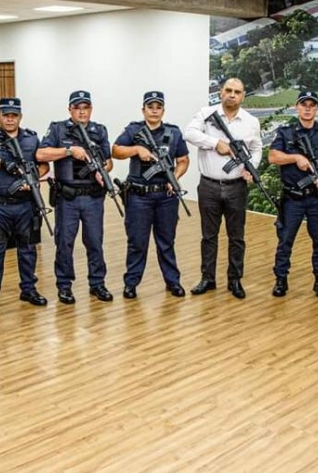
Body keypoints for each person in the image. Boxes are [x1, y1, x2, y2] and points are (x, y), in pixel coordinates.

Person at [184, 77, 262, 299]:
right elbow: (189, 133)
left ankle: (234, 279)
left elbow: (256, 148)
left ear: (243, 96)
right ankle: (207, 278)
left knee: (236, 237)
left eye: (237, 92)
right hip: (209, 185)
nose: (232, 95)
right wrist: (215, 143)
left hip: (236, 186)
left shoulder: (251, 122)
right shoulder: (206, 114)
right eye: (228, 90)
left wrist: (251, 167)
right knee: (209, 236)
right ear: (221, 92)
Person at [0, 97, 49, 314]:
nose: (10, 119)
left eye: (14, 115)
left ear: (20, 117)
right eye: (6, 115)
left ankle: (29, 290)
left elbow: (44, 165)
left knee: (28, 250)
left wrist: (31, 179)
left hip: (26, 204)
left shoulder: (31, 139)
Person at [37, 90, 114, 305]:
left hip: (93, 197)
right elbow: (41, 154)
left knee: (95, 242)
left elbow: (108, 161)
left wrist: (102, 171)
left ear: (91, 109)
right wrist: (69, 151)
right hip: (67, 198)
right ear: (69, 109)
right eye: (77, 108)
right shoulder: (57, 129)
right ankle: (64, 286)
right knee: (64, 243)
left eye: (85, 108)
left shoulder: (99, 130)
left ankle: (97, 283)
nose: (81, 112)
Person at [111, 91, 190, 299]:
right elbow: (116, 151)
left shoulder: (174, 132)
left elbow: (183, 160)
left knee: (166, 241)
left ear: (163, 110)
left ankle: (173, 281)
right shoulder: (133, 130)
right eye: (150, 107)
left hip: (166, 196)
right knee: (137, 242)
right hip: (139, 196)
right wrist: (136, 149)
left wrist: (175, 177)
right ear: (143, 109)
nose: (154, 110)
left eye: (158, 107)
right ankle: (131, 283)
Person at [268, 90, 318, 299]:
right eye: (304, 105)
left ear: (317, 108)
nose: (307, 109)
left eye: (311, 105)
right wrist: (295, 158)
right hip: (293, 197)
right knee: (285, 240)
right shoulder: (286, 132)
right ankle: (281, 279)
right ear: (297, 107)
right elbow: (273, 157)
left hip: (317, 197)